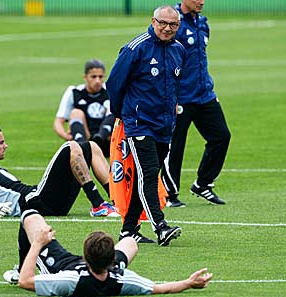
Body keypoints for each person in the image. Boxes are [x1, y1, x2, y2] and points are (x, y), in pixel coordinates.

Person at [106, 5, 186, 246]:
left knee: (149, 174)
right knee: (148, 173)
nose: (167, 28)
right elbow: (114, 84)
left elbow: (175, 86)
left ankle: (128, 229)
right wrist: (125, 115)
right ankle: (160, 227)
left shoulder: (179, 50)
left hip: (164, 125)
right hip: (139, 124)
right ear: (153, 21)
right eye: (163, 23)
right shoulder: (136, 48)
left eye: (173, 25)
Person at [15, 209, 213, 296]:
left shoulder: (68, 279)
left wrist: (38, 244)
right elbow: (161, 289)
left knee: (30, 216)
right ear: (112, 259)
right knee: (130, 241)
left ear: (86, 256)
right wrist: (189, 283)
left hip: (62, 265)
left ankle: (20, 265)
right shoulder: (122, 279)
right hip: (104, 270)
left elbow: (26, 282)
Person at [0, 122, 118, 218]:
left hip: (47, 203)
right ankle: (98, 204)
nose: (5, 146)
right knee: (71, 146)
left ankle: (117, 202)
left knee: (90, 146)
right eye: (1, 143)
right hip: (35, 202)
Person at [161, 0, 231, 208]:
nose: (202, 1)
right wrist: (170, 97)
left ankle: (203, 183)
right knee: (175, 146)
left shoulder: (202, 23)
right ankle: (169, 194)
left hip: (204, 94)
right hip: (181, 98)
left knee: (221, 136)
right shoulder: (174, 24)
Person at [53, 59, 115, 156]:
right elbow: (58, 121)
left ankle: (100, 136)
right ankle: (81, 144)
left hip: (108, 142)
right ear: (85, 77)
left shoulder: (109, 91)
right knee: (76, 112)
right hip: (87, 137)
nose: (97, 81)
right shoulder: (74, 92)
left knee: (113, 108)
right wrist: (66, 136)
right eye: (93, 77)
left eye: (100, 77)